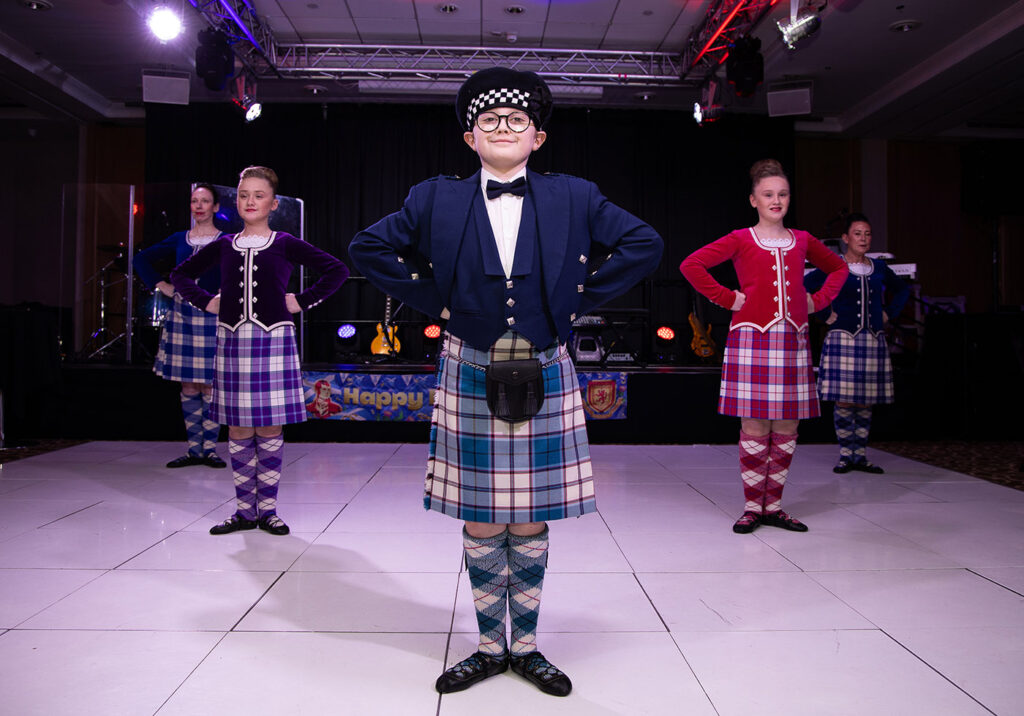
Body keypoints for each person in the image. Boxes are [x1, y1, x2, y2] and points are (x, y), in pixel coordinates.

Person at [349, 67, 663, 697]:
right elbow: (367, 247)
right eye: (489, 121)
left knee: (530, 517)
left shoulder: (574, 194)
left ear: (537, 137)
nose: (503, 129)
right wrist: (433, 300)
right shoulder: (433, 197)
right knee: (482, 517)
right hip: (468, 361)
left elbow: (643, 241)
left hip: (546, 363)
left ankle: (527, 646)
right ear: (470, 137)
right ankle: (490, 645)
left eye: (516, 120)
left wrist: (576, 300)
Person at [171, 167, 349, 536]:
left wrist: (301, 301)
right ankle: (243, 511)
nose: (250, 201)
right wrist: (207, 303)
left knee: (269, 426)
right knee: (237, 427)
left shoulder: (283, 242)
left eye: (258, 195)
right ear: (235, 202)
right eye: (243, 195)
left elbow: (336, 270)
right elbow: (180, 277)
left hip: (273, 342)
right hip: (234, 342)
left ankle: (267, 510)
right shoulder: (223, 245)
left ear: (273, 202)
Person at [680, 159, 848, 534]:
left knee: (787, 423)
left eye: (783, 194)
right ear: (753, 199)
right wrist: (727, 298)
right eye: (769, 194)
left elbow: (838, 269)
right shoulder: (741, 238)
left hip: (792, 339)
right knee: (755, 424)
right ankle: (752, 506)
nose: (777, 200)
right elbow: (692, 265)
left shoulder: (802, 240)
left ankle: (773, 505)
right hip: (751, 338)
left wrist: (816, 301)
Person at [805, 212, 910, 473]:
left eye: (867, 234)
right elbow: (802, 286)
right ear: (845, 238)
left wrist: (888, 313)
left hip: (872, 339)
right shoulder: (834, 266)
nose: (863, 238)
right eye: (857, 234)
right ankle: (845, 454)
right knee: (844, 399)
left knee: (865, 399)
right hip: (843, 338)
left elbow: (903, 289)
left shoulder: (879, 268)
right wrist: (824, 314)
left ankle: (860, 454)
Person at [133, 183, 226, 469]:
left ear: (215, 207)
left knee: (210, 384)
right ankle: (193, 449)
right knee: (188, 384)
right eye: (194, 201)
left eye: (205, 201)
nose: (199, 206)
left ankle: (209, 450)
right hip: (183, 316)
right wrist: (161, 285)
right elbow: (141, 258)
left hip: (213, 315)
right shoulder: (180, 238)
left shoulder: (227, 240)